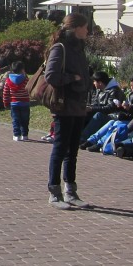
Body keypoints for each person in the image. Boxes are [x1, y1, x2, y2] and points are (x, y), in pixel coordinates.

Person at [43, 12, 91, 210]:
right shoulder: (60, 48)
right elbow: (51, 76)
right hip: (64, 106)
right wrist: (74, 79)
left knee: (72, 151)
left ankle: (70, 191)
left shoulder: (78, 48)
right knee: (60, 148)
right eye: (85, 26)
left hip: (78, 106)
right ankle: (54, 193)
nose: (88, 30)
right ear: (76, 27)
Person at [3, 61, 31, 141]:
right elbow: (29, 89)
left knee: (15, 120)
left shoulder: (8, 81)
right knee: (25, 120)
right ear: (22, 69)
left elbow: (5, 93)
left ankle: (16, 135)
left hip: (14, 103)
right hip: (25, 103)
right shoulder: (26, 79)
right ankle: (25, 135)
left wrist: (6, 103)